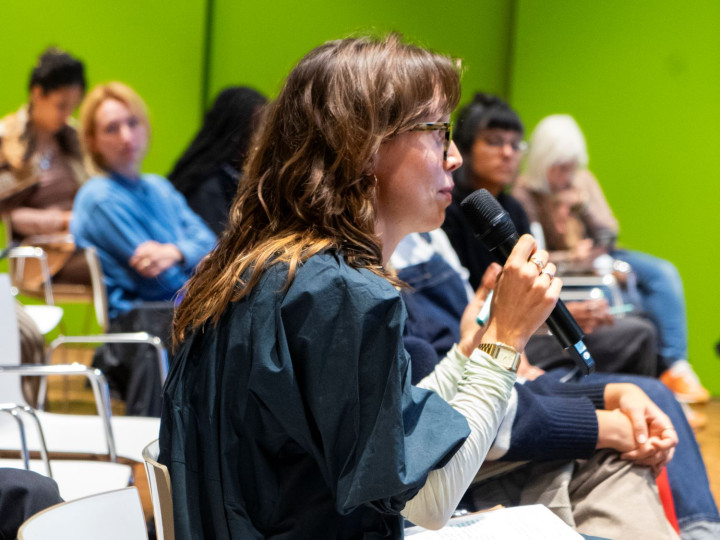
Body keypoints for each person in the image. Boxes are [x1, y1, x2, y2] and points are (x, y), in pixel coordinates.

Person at [160, 35, 564, 539]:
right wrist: (505, 340)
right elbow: (429, 500)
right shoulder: (340, 295)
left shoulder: (268, 268)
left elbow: (393, 441)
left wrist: (470, 352)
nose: (455, 157)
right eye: (438, 132)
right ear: (364, 145)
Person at [393, 230, 719, 539]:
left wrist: (482, 343)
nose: (452, 176)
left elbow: (446, 383)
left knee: (641, 370)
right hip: (471, 462)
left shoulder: (425, 245)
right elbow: (431, 454)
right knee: (628, 442)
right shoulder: (376, 304)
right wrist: (599, 425)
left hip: (489, 399)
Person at [442, 93, 662, 379]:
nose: (507, 153)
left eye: (515, 144)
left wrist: (581, 204)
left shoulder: (512, 207)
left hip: (531, 318)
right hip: (490, 332)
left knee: (643, 315)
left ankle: (662, 379)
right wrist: (549, 315)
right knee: (639, 331)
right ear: (466, 147)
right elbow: (474, 297)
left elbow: (606, 233)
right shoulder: (452, 209)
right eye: (494, 142)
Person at [514, 114, 709, 404]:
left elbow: (610, 231)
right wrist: (570, 257)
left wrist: (582, 205)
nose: (567, 174)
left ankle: (675, 367)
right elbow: (531, 252)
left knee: (663, 273)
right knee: (618, 299)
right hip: (566, 268)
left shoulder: (582, 180)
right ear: (544, 161)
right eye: (560, 167)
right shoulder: (525, 193)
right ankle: (655, 382)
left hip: (604, 254)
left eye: (571, 166)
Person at [71, 82, 216, 416]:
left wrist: (176, 252)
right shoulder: (99, 198)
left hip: (177, 310)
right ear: (92, 141)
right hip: (140, 322)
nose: (126, 136)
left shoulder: (159, 187)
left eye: (132, 123)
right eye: (111, 128)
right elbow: (159, 280)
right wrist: (197, 263)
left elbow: (212, 243)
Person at [0, 47, 90, 288]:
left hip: (83, 240)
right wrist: (63, 220)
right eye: (61, 105)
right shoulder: (7, 140)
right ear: (37, 93)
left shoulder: (74, 139)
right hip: (42, 254)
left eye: (73, 107)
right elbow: (9, 215)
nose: (67, 115)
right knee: (113, 263)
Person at [168, 86, 267, 236]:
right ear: (236, 133)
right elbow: (216, 244)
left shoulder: (238, 177)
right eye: (258, 128)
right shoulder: (206, 188)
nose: (264, 139)